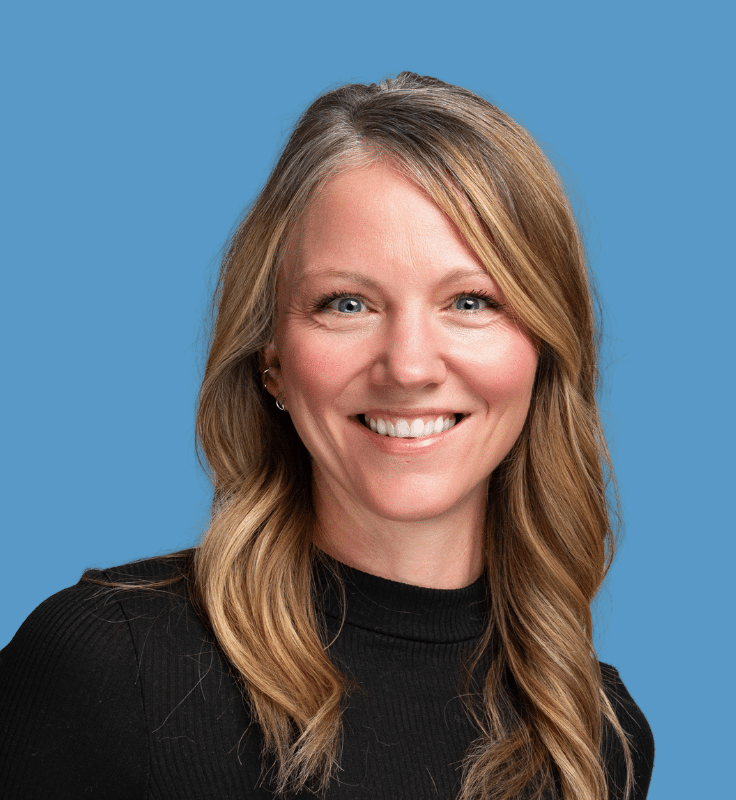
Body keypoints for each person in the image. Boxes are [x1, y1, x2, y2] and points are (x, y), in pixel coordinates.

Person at [0, 72, 654, 799]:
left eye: (471, 301)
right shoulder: (109, 664)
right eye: (347, 303)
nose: (408, 366)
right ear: (271, 359)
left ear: (544, 350)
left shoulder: (592, 731)